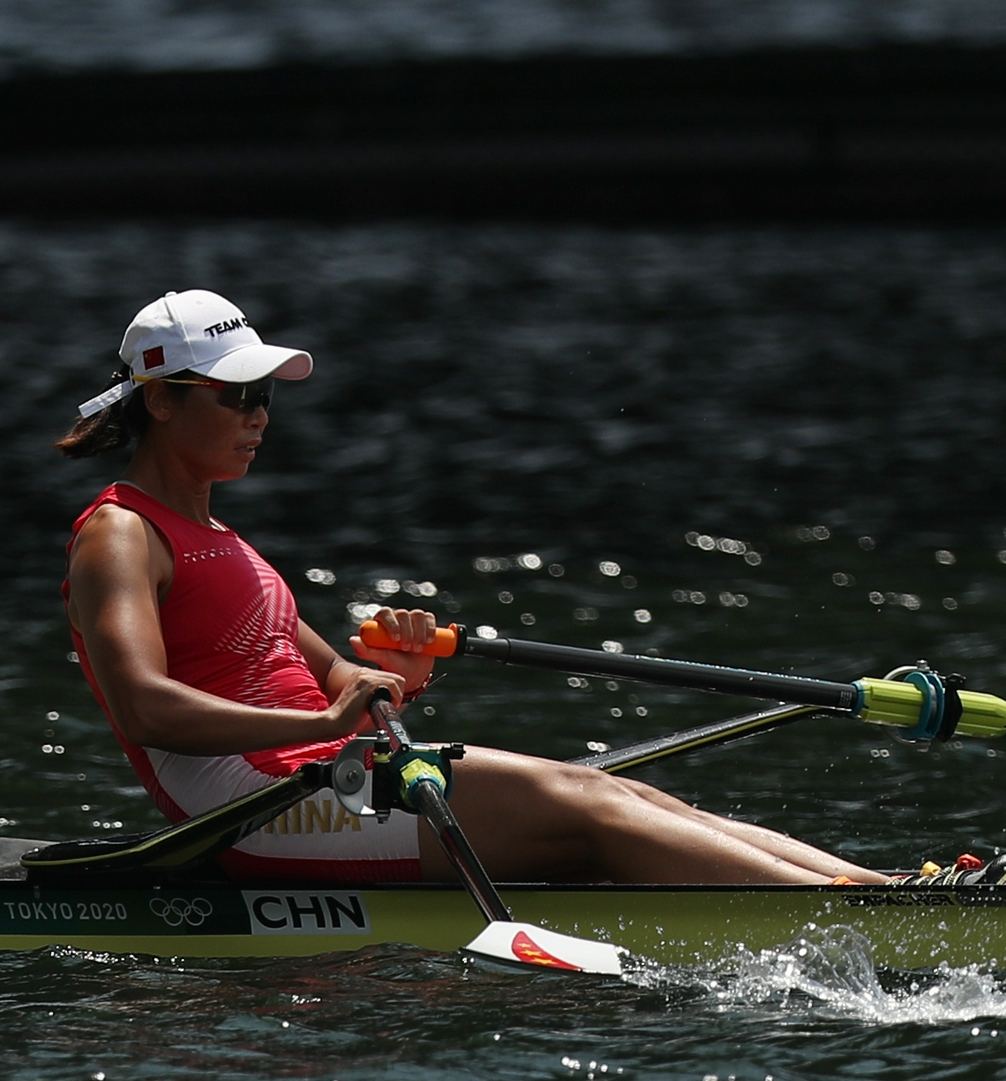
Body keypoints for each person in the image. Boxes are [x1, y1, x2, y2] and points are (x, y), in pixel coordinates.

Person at [60, 290, 886, 886]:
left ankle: (873, 889)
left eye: (265, 395)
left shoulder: (223, 539)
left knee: (605, 789)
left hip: (326, 771)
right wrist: (322, 718)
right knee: (579, 804)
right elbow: (144, 705)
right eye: (236, 395)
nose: (260, 416)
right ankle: (842, 912)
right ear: (161, 403)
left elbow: (334, 677)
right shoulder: (120, 533)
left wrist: (390, 672)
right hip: (254, 812)